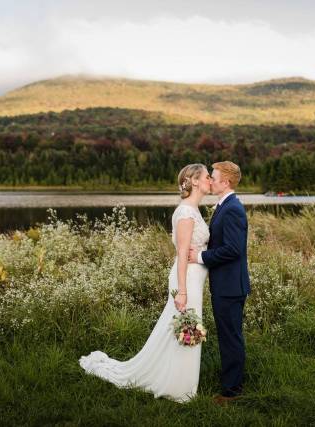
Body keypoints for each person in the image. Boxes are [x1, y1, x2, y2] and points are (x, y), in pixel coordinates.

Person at [79, 163, 211, 403]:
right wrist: (181, 291)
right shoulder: (186, 213)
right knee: (185, 327)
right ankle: (178, 387)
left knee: (182, 329)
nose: (210, 180)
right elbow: (182, 254)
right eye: (207, 176)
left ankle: (178, 379)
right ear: (193, 181)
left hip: (193, 278)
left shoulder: (194, 209)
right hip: (186, 280)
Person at [189, 161, 251, 405]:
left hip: (230, 286)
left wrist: (200, 257)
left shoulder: (233, 208)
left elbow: (234, 250)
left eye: (213, 177)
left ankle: (232, 392)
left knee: (230, 337)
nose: (210, 181)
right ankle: (230, 384)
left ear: (225, 182)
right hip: (226, 285)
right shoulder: (225, 205)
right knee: (229, 335)